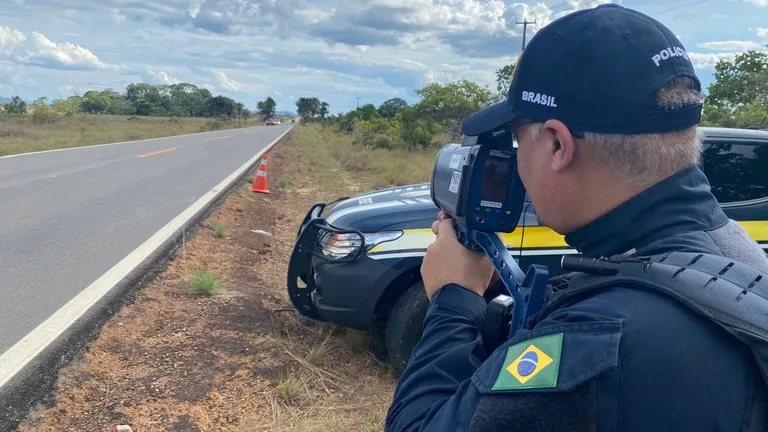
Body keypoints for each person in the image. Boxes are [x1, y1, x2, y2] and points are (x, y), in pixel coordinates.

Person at [385, 4, 768, 432]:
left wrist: (454, 300)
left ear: (557, 145)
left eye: (517, 141)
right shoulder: (736, 257)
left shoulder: (595, 343)